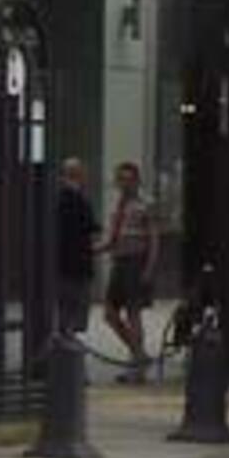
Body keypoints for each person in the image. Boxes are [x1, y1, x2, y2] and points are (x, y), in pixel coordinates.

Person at [101, 161, 160, 380]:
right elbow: (113, 237)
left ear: (137, 180)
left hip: (136, 261)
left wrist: (149, 269)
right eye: (121, 179)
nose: (125, 184)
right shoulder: (118, 204)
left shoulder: (146, 204)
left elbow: (154, 239)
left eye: (129, 179)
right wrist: (94, 250)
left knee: (133, 313)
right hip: (120, 260)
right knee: (109, 313)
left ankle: (137, 367)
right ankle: (139, 355)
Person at [52, 160, 98, 338]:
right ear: (78, 175)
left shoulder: (57, 199)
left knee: (65, 305)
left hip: (62, 261)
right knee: (75, 305)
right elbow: (90, 228)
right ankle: (68, 341)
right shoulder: (79, 199)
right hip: (78, 262)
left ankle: (66, 337)